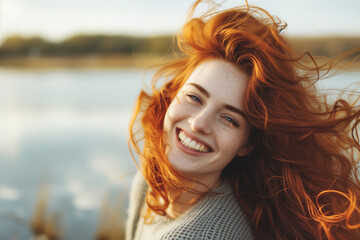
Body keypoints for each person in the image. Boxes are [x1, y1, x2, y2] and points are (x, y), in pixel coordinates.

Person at [127, 0, 360, 239]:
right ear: (172, 95)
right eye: (194, 97)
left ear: (247, 143)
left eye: (229, 119)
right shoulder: (148, 179)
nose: (199, 123)